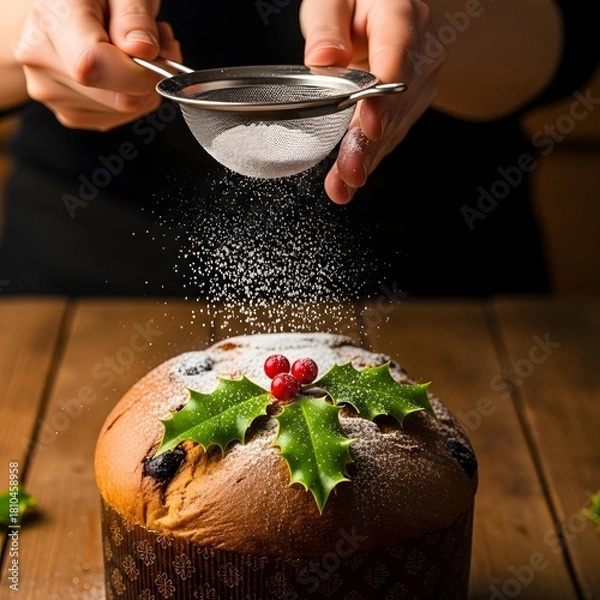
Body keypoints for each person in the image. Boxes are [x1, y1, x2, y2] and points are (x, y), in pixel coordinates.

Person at [0, 0, 598, 300]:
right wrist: (33, 21)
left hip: (451, 282)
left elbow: (576, 33)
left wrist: (441, 18)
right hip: (78, 285)